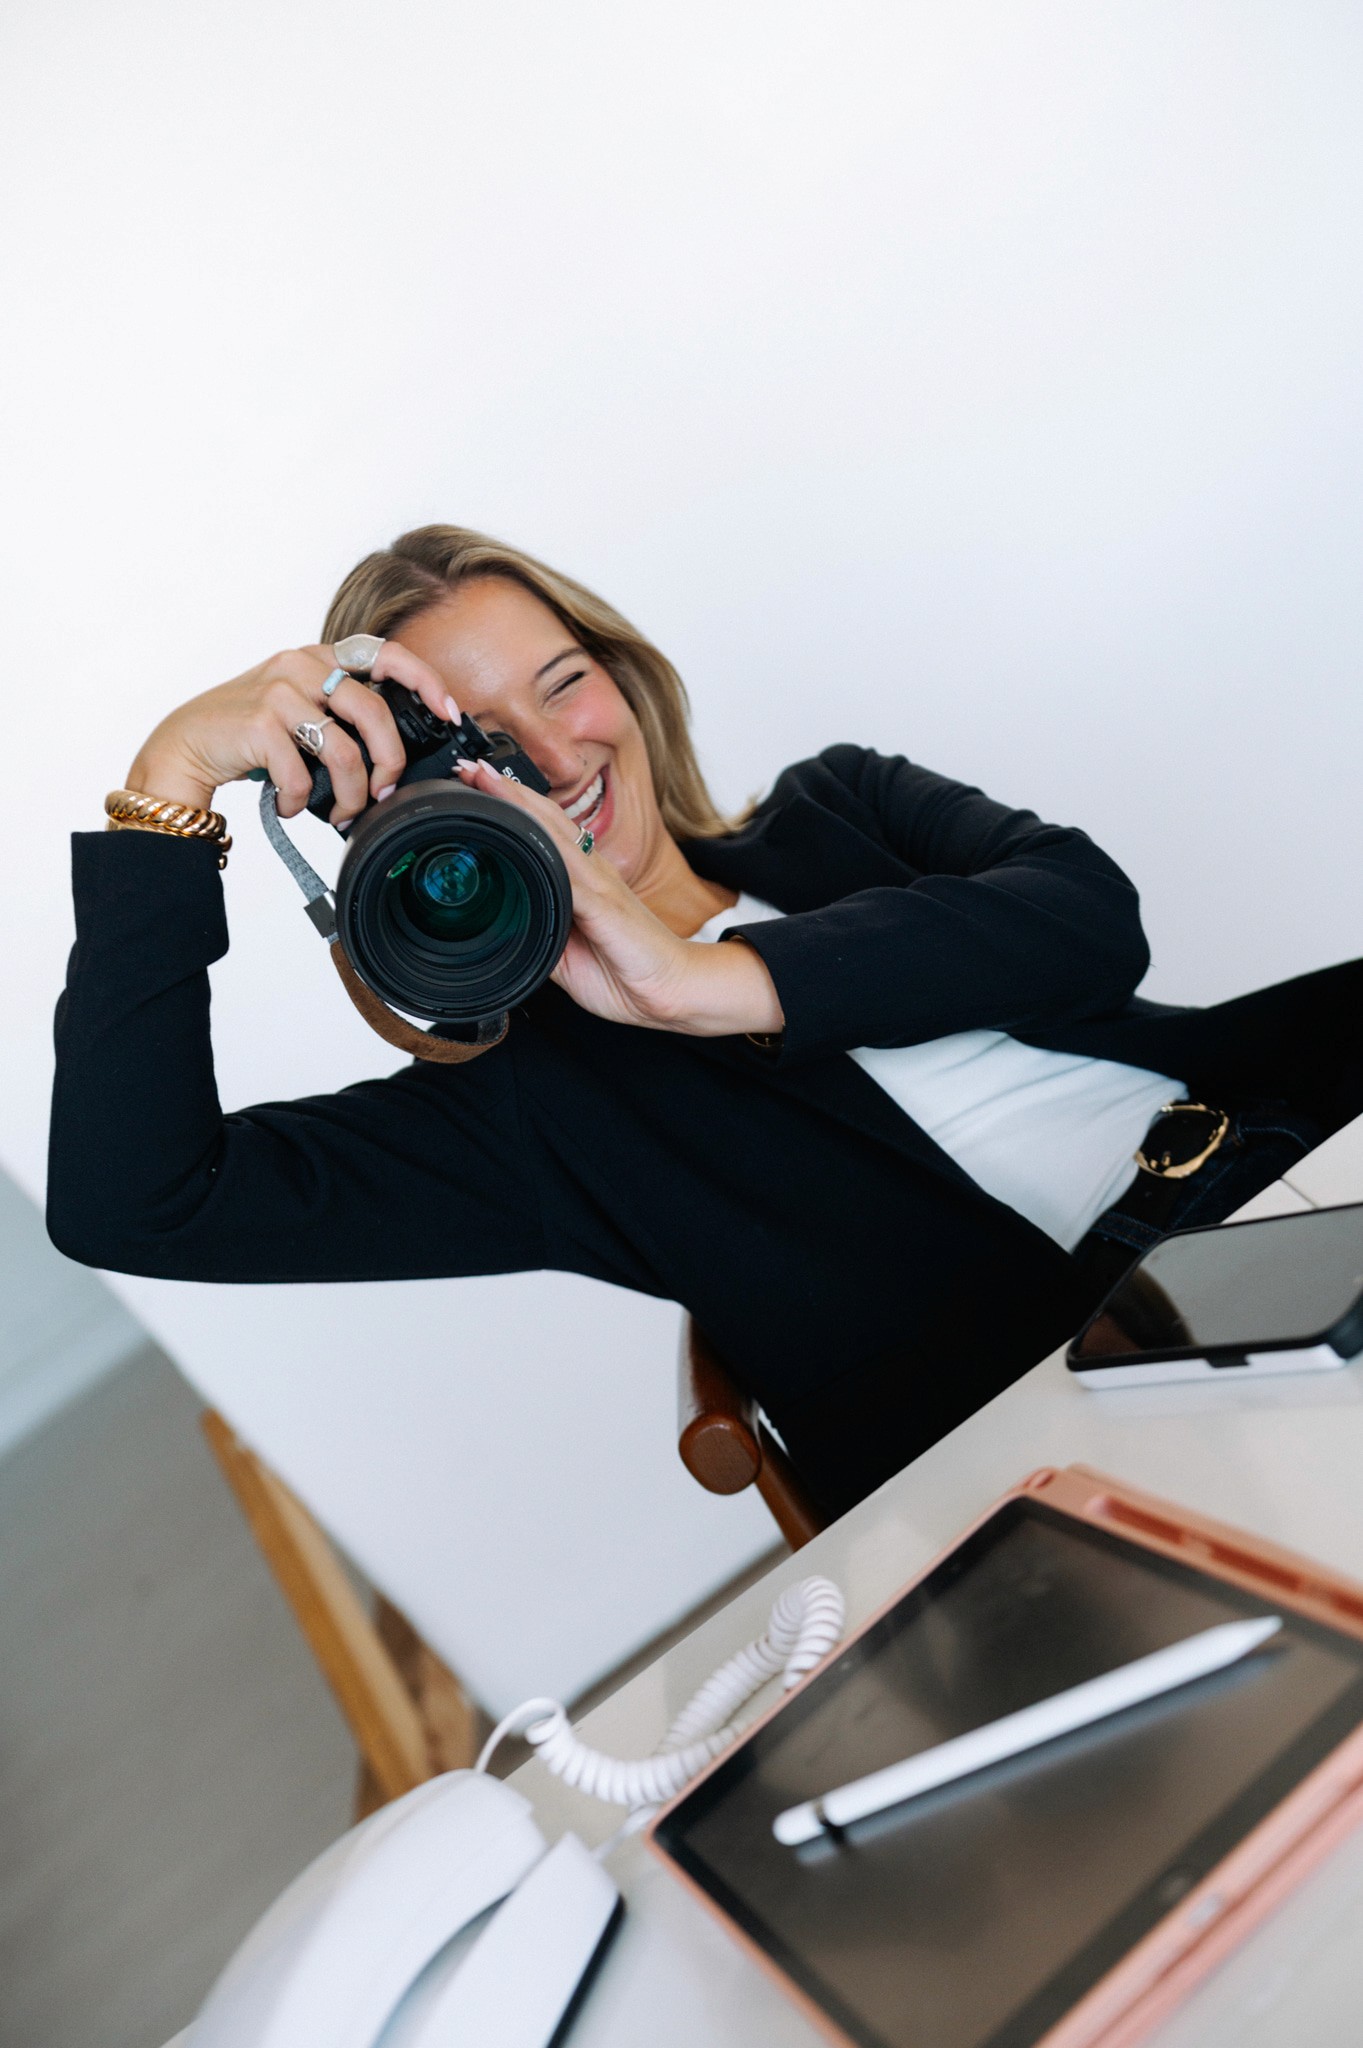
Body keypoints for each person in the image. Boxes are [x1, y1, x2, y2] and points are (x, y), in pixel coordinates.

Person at [47, 527, 1363, 1518]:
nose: (556, 763)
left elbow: (1090, 918)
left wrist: (708, 983)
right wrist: (167, 786)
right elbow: (140, 1203)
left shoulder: (837, 810)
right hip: (1118, 1409)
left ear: (625, 679)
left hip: (1297, 1174)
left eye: (564, 685)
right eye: (482, 744)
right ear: (395, 808)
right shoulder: (539, 1113)